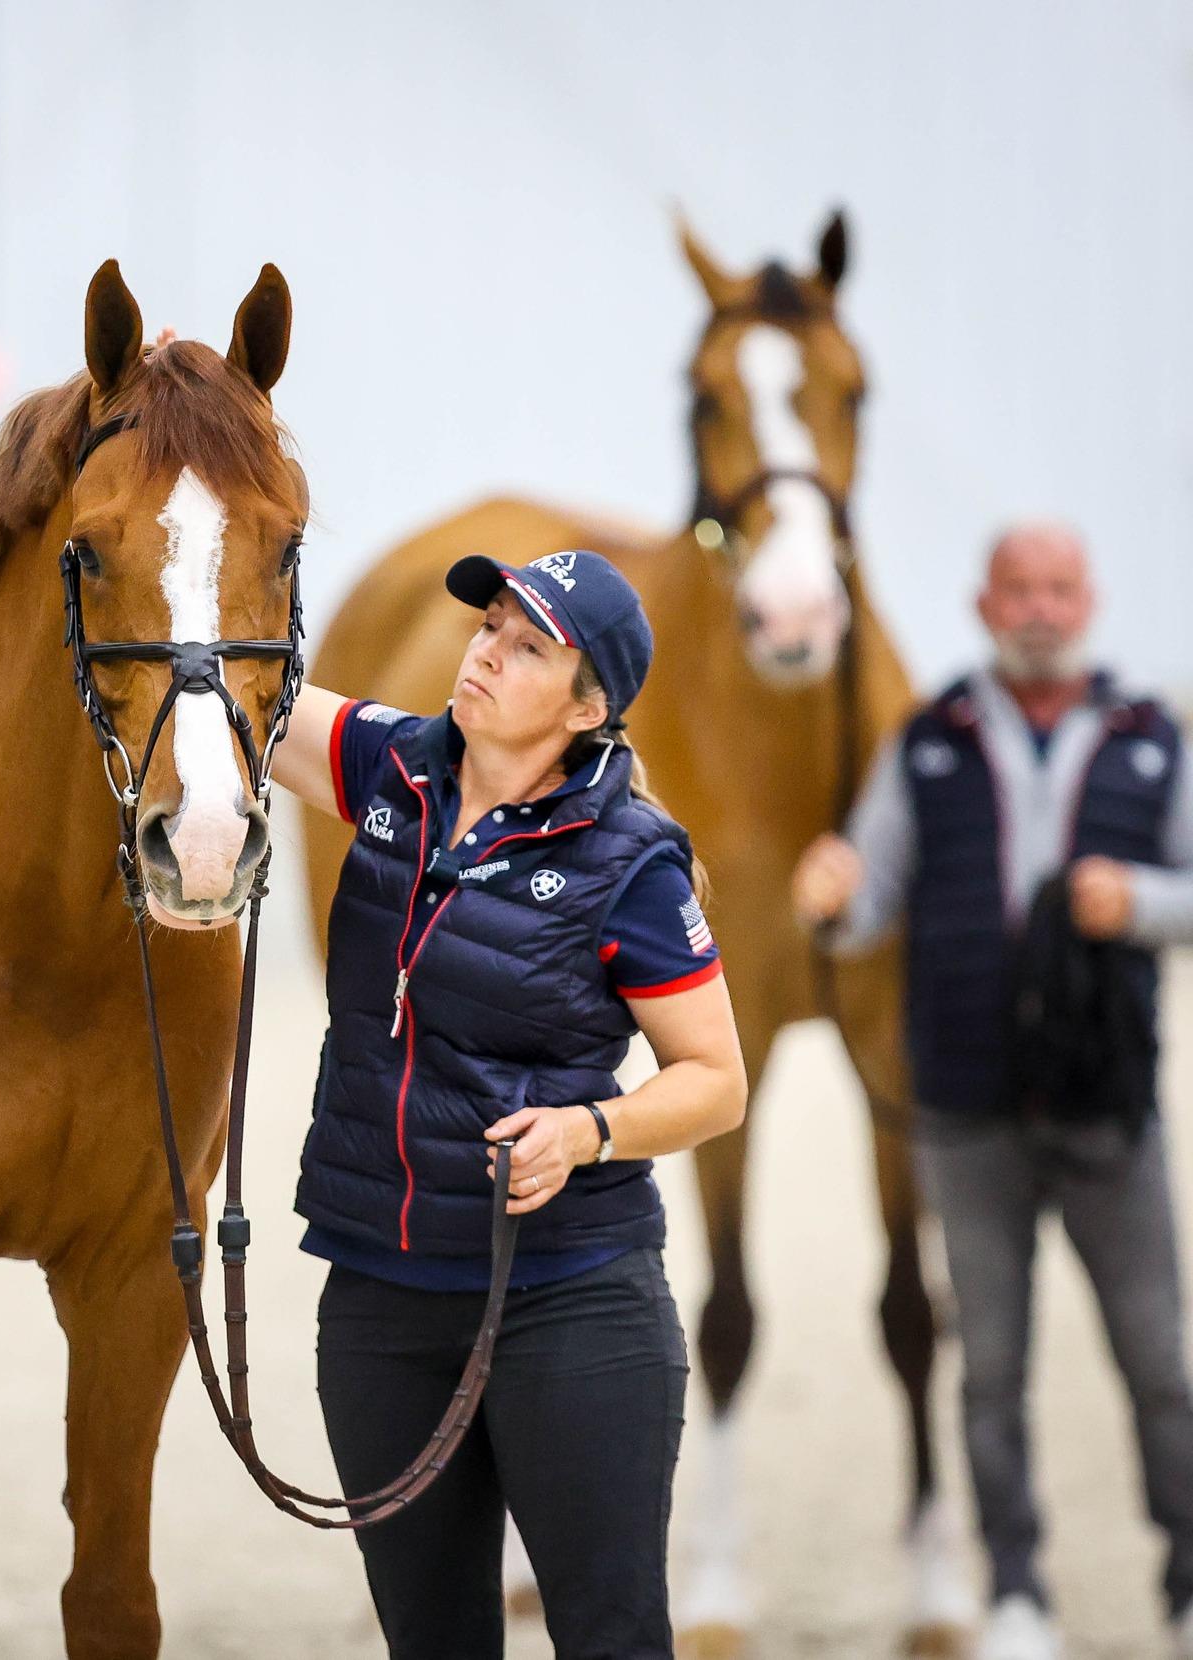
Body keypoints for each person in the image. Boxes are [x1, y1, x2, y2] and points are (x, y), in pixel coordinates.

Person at [269, 548, 748, 1659]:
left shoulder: (630, 864)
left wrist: (590, 1132)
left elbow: (714, 1081)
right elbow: (242, 694)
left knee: (608, 1637)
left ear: (589, 706)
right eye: (487, 626)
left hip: (566, 1303)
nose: (482, 652)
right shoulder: (392, 765)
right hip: (377, 1304)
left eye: (525, 646)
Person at [791, 523, 1193, 1660]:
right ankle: (1014, 1588)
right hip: (965, 1111)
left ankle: (1182, 1579)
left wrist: (1143, 905)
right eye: (1016, 588)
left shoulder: (1148, 736)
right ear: (981, 603)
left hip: (1108, 1107)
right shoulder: (928, 740)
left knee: (1158, 1364)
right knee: (991, 1371)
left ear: (1088, 598)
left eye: (1057, 587)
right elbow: (867, 895)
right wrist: (831, 892)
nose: (1037, 608)